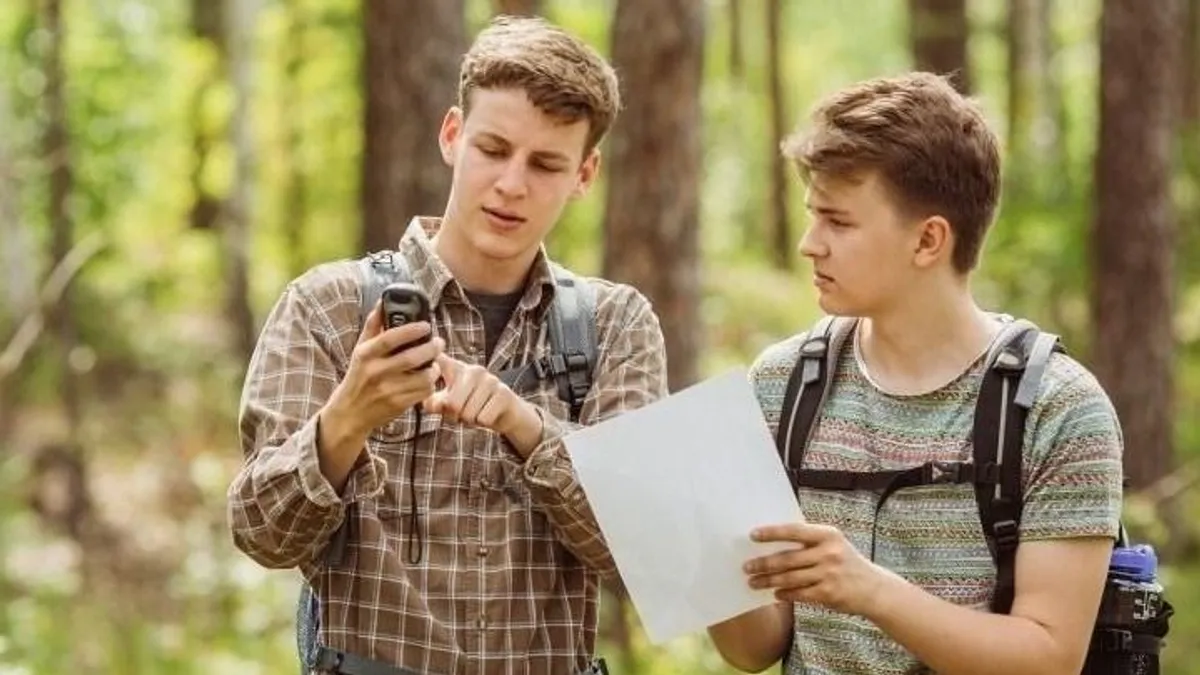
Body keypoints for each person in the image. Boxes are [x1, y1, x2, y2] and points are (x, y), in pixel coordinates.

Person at [227, 16, 667, 675]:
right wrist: (347, 419)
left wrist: (524, 426)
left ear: (585, 174)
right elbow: (260, 531)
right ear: (452, 135)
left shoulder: (617, 325)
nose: (512, 184)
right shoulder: (327, 305)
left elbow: (638, 545)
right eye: (493, 148)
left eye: (546, 163)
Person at [708, 72, 1124, 674]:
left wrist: (869, 590)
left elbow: (1049, 659)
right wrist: (698, 537)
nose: (808, 244)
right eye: (811, 215)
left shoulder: (1059, 409)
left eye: (838, 221)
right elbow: (755, 649)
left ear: (928, 241)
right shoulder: (781, 385)